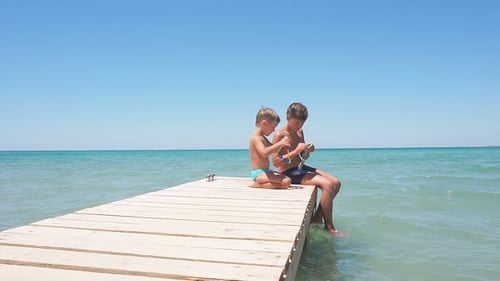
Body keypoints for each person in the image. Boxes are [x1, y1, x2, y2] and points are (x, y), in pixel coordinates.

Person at [273, 102, 347, 237]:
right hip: (288, 172)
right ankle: (330, 228)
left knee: (336, 183)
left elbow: (302, 156)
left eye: (301, 123)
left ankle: (317, 218)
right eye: (296, 123)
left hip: (301, 168)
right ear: (288, 117)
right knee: (328, 185)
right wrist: (295, 151)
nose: (299, 126)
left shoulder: (300, 132)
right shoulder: (280, 135)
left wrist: (308, 149)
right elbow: (276, 161)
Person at [249, 107, 292, 189]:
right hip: (258, 174)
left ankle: (261, 184)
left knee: (287, 178)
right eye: (273, 127)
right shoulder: (256, 138)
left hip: (266, 172)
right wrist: (280, 143)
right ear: (264, 123)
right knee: (286, 181)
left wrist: (283, 143)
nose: (273, 130)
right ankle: (258, 184)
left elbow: (274, 150)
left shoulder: (263, 138)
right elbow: (264, 153)